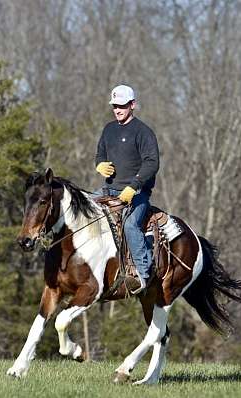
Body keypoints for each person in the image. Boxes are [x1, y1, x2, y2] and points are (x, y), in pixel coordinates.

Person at [95, 84, 160, 294]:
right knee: (84, 208)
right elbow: (100, 153)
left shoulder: (143, 132)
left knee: (131, 226)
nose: (117, 110)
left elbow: (152, 163)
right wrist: (99, 164)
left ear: (132, 105)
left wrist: (134, 186)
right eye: (115, 106)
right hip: (109, 191)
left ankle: (145, 273)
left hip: (137, 194)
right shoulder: (109, 129)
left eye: (122, 105)